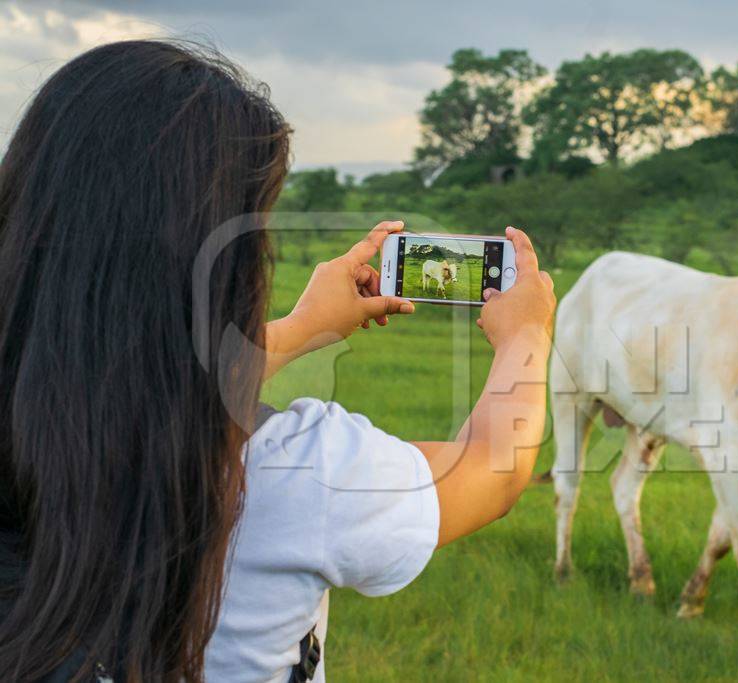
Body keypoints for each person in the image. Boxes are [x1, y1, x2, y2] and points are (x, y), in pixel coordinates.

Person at [0, 40, 555, 682]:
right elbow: (492, 471)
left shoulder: (37, 413)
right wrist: (525, 339)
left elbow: (150, 379)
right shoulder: (295, 470)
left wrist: (302, 329)